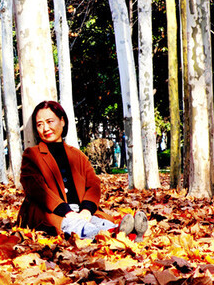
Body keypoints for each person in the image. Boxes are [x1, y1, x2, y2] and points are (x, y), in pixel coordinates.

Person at [17, 100, 147, 241]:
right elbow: (37, 189)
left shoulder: (77, 155)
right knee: (79, 226)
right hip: (51, 212)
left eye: (50, 121)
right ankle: (120, 235)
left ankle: (124, 232)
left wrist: (86, 210)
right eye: (39, 124)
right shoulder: (32, 155)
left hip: (81, 210)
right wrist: (66, 211)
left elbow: (93, 184)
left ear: (62, 121)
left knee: (98, 221)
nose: (45, 128)